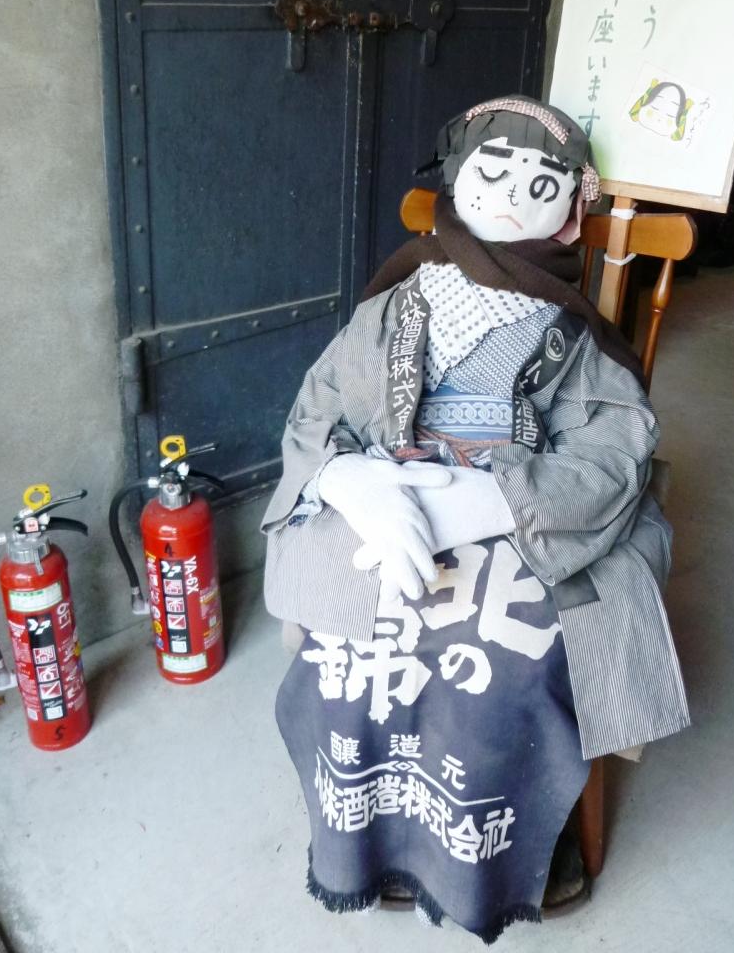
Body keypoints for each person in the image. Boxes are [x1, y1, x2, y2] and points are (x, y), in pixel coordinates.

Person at [263, 96, 689, 942]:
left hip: (524, 517)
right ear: (456, 181)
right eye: (493, 170)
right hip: (393, 498)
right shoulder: (396, 306)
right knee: (349, 645)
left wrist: (495, 500)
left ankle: (501, 852)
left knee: (504, 660)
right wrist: (351, 482)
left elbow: (612, 448)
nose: (512, 193)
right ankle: (370, 845)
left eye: (542, 183)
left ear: (570, 216)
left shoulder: (569, 332)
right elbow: (318, 410)